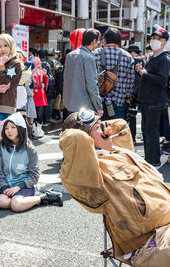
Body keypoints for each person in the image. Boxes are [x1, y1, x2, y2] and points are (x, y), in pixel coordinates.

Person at [60, 108, 170, 266]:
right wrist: (81, 128)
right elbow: (75, 138)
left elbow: (122, 125)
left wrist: (99, 128)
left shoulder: (119, 152)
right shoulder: (89, 176)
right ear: (86, 137)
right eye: (98, 128)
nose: (107, 130)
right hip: (150, 242)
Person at [0, 112, 63, 212]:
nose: (9, 131)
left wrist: (18, 187)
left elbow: (34, 175)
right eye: (6, 128)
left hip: (24, 185)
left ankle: (44, 197)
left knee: (16, 205)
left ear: (20, 128)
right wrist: (4, 187)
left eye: (13, 127)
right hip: (7, 186)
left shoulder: (30, 149)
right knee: (2, 202)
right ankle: (25, 200)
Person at [135, 27, 170, 166]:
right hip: (148, 100)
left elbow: (162, 80)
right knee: (147, 131)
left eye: (158, 39)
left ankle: (153, 160)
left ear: (164, 42)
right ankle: (149, 158)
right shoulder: (154, 57)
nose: (154, 41)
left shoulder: (164, 59)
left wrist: (143, 73)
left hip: (154, 101)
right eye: (153, 38)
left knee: (151, 132)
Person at [93, 28, 134, 120]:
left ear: (105, 40)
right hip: (119, 102)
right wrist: (126, 96)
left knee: (99, 131)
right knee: (116, 132)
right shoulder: (128, 57)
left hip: (98, 103)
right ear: (119, 41)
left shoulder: (96, 53)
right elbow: (130, 82)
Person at [63, 28, 103, 119]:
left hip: (70, 104)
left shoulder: (70, 55)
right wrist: (99, 106)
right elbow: (92, 85)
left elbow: (65, 79)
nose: (98, 43)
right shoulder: (89, 57)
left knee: (73, 131)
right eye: (98, 41)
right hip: (86, 105)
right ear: (93, 41)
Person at [31, 57, 48, 138]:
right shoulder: (30, 72)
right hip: (34, 95)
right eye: (37, 64)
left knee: (40, 113)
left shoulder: (42, 72)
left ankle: (39, 129)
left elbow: (46, 82)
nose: (39, 65)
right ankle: (34, 130)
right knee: (34, 113)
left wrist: (45, 76)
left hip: (41, 95)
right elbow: (30, 84)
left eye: (39, 63)